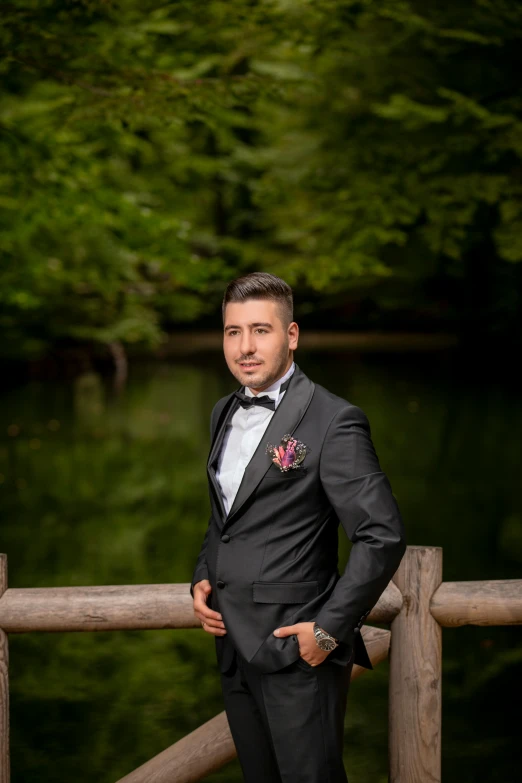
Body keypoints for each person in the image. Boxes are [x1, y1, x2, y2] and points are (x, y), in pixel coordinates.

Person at [190, 272, 406, 783]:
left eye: (261, 330)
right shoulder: (225, 410)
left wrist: (328, 631)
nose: (245, 347)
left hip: (298, 652)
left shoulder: (334, 420)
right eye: (233, 331)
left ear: (291, 336)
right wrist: (202, 575)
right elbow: (226, 516)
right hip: (233, 649)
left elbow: (382, 534)